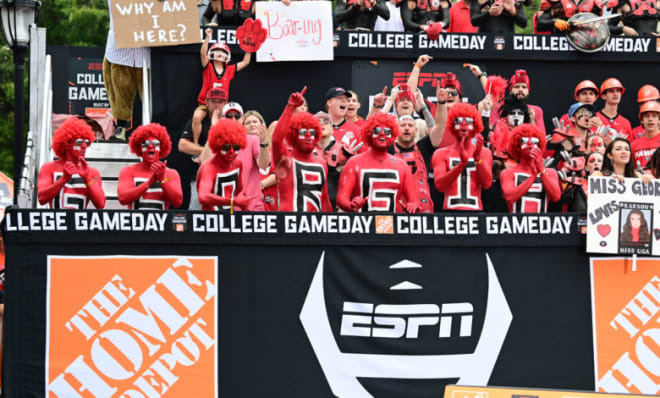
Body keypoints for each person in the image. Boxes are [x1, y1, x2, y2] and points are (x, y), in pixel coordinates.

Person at [337, 113, 420, 213]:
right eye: (376, 130)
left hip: (393, 225)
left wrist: (412, 206)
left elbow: (415, 201)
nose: (382, 134)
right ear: (369, 133)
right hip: (363, 225)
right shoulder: (354, 162)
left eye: (387, 131)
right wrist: (351, 206)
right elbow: (341, 198)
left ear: (392, 135)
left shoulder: (402, 166)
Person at [271, 88, 333, 212]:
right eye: (303, 132)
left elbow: (325, 200)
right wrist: (290, 107)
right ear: (293, 135)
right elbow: (276, 140)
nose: (308, 136)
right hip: (288, 225)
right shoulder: (285, 159)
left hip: (315, 227)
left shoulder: (321, 163)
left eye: (312, 132)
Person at [200, 102, 270, 210]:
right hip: (224, 209)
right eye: (229, 116)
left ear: (242, 119)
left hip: (251, 207)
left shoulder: (252, 139)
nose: (233, 119)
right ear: (222, 119)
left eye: (237, 116)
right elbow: (204, 162)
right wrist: (214, 129)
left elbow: (264, 165)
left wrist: (264, 142)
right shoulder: (218, 142)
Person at [192, 29, 251, 149]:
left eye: (222, 51)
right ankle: (195, 144)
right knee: (197, 117)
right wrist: (207, 37)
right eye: (217, 51)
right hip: (205, 103)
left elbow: (245, 62)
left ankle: (226, 145)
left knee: (228, 124)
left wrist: (249, 47)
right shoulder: (208, 67)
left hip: (222, 106)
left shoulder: (229, 70)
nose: (219, 54)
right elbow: (203, 54)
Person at [103, 0, 153, 141]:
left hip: (147, 48)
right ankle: (121, 127)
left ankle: (152, 128)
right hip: (120, 49)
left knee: (151, 94)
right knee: (119, 90)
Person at [432, 103, 493, 211]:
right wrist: (461, 165)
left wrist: (478, 160)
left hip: (475, 213)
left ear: (475, 125)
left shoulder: (484, 152)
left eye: (468, 121)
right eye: (459, 121)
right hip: (449, 212)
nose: (463, 124)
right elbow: (439, 185)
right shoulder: (441, 153)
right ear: (452, 124)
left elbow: (487, 184)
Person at [38, 118, 106, 209]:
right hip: (57, 222)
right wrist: (63, 179)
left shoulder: (92, 173)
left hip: (80, 222)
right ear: (67, 143)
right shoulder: (49, 168)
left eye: (87, 142)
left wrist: (87, 178)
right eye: (79, 142)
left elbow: (101, 204)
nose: (84, 146)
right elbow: (41, 198)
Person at [178, 88, 228, 209]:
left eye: (220, 102)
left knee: (227, 216)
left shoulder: (231, 118)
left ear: (226, 103)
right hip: (200, 176)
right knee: (198, 213)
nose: (217, 105)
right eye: (213, 101)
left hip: (226, 176)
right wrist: (206, 150)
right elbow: (182, 145)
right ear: (207, 102)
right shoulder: (200, 120)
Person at [117, 123, 183, 209]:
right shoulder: (128, 171)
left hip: (161, 222)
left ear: (161, 147)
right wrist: (150, 182)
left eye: (155, 143)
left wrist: (162, 179)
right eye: (145, 143)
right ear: (139, 147)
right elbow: (123, 199)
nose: (150, 146)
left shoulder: (171, 173)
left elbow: (177, 202)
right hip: (135, 222)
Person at [500, 124, 561, 213]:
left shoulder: (550, 173)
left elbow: (556, 197)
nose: (530, 143)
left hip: (541, 225)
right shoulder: (508, 173)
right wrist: (533, 176)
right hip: (516, 224)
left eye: (534, 141)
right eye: (524, 140)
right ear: (517, 146)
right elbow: (510, 197)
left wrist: (541, 170)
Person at [197, 119, 254, 211]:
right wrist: (233, 202)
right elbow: (203, 196)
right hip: (210, 221)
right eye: (226, 147)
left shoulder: (238, 163)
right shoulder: (209, 168)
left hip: (229, 219)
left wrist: (244, 205)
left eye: (236, 147)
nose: (231, 151)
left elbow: (239, 190)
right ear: (218, 146)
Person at [631, 101, 660, 168]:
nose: (650, 119)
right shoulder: (633, 146)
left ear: (659, 120)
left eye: (654, 116)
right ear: (641, 120)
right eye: (647, 116)